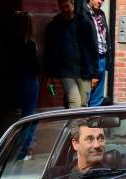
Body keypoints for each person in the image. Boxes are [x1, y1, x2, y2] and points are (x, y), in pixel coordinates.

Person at [44, 0, 98, 109]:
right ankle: (73, 126)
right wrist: (49, 75)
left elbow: (93, 48)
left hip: (84, 69)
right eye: (62, 7)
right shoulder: (53, 26)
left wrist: (95, 74)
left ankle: (75, 125)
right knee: (74, 101)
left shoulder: (84, 23)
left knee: (83, 104)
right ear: (58, 6)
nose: (65, 9)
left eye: (67, 6)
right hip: (65, 70)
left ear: (72, 5)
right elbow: (49, 51)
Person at [13, 12, 41, 160]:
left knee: (24, 115)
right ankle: (22, 151)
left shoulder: (14, 43)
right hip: (30, 80)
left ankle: (21, 149)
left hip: (18, 80)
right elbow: (36, 67)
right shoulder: (30, 44)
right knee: (29, 116)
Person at [85, 0, 112, 107]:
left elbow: (105, 38)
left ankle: (92, 122)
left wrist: (108, 60)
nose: (100, 1)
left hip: (102, 58)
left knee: (97, 98)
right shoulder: (83, 13)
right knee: (85, 96)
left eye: (103, 0)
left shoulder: (101, 14)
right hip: (90, 60)